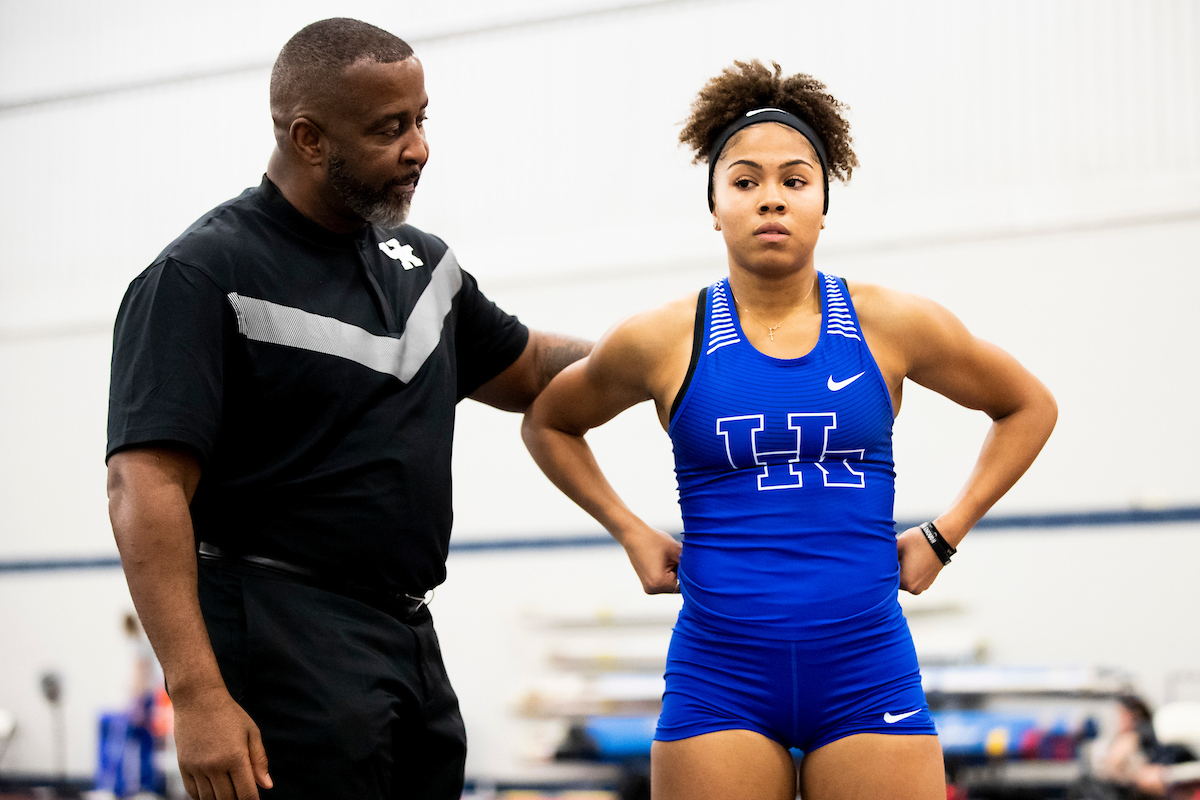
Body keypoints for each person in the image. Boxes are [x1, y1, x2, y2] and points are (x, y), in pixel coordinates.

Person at [522, 61, 1058, 800]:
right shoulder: (661, 339)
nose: (770, 198)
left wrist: (945, 533)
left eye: (794, 181)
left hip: (867, 670)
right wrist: (629, 530)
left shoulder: (890, 323)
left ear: (823, 204)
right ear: (714, 205)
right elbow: (549, 421)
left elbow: (1028, 406)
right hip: (721, 680)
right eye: (744, 182)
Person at [106, 18, 590, 800]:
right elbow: (144, 487)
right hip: (278, 631)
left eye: (422, 118)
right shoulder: (202, 273)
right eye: (389, 129)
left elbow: (530, 366)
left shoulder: (422, 266)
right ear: (307, 138)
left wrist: (669, 357)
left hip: (406, 633)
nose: (419, 148)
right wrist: (196, 695)